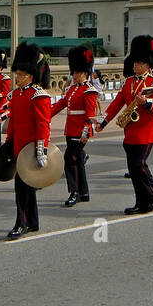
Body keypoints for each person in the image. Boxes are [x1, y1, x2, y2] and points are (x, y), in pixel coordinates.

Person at [98, 35, 153, 214]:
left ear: (147, 63)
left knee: (139, 164)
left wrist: (147, 102)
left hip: (146, 130)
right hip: (130, 130)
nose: (135, 66)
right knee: (133, 169)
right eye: (135, 63)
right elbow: (116, 104)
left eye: (139, 63)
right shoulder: (129, 82)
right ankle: (141, 201)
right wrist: (103, 121)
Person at [6, 43, 53, 240]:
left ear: (31, 75)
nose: (17, 76)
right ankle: (32, 221)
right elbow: (13, 123)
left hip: (32, 148)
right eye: (17, 73)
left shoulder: (38, 95)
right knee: (26, 186)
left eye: (21, 74)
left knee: (22, 187)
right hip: (18, 147)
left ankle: (22, 222)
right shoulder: (17, 94)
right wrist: (8, 145)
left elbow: (43, 125)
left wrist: (41, 151)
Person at [51, 45, 98, 207]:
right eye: (74, 72)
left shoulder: (88, 90)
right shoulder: (72, 89)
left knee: (69, 158)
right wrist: (45, 115)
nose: (75, 75)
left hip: (80, 131)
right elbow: (60, 105)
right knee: (77, 161)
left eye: (77, 72)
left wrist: (86, 133)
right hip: (70, 129)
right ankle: (84, 192)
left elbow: (90, 116)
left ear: (85, 73)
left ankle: (75, 191)